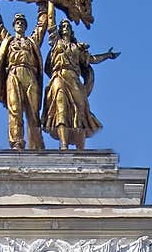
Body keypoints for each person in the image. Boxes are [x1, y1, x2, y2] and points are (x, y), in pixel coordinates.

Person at [42, 12, 119, 150]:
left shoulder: (77, 47)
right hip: (58, 77)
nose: (65, 27)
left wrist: (108, 55)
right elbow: (51, 23)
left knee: (80, 111)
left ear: (71, 31)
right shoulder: (56, 42)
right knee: (61, 109)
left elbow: (92, 59)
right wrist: (50, 1)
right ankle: (63, 145)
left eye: (67, 26)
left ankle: (80, 147)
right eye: (63, 26)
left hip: (74, 80)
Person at [0, 0, 47, 150]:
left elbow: (41, 27)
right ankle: (17, 142)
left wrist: (43, 7)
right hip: (13, 74)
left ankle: (36, 143)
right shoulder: (8, 40)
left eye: (22, 22)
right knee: (15, 109)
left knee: (33, 111)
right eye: (17, 22)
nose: (20, 24)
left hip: (30, 75)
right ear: (14, 25)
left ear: (25, 26)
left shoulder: (32, 41)